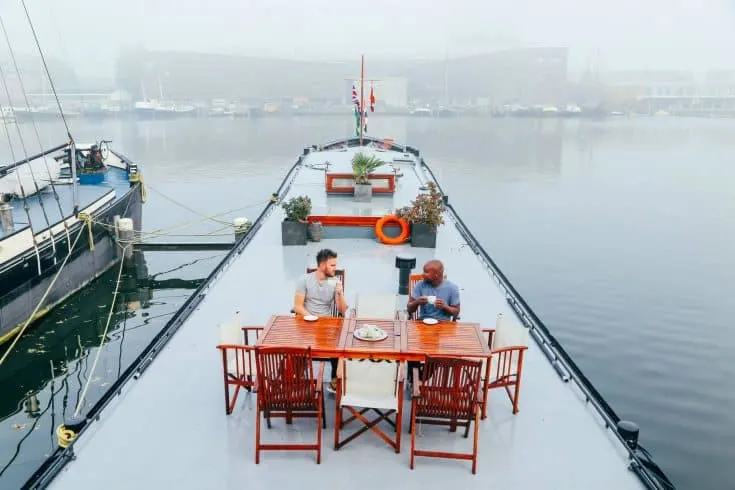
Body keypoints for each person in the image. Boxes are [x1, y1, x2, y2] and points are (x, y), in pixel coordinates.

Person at [293, 248, 346, 393]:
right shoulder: (304, 280)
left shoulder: (335, 282)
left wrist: (340, 294)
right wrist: (312, 318)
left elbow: (342, 310)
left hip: (326, 325)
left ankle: (335, 380)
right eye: (332, 265)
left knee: (338, 344)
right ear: (322, 265)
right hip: (306, 322)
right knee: (292, 345)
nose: (336, 268)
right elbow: (297, 306)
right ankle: (295, 377)